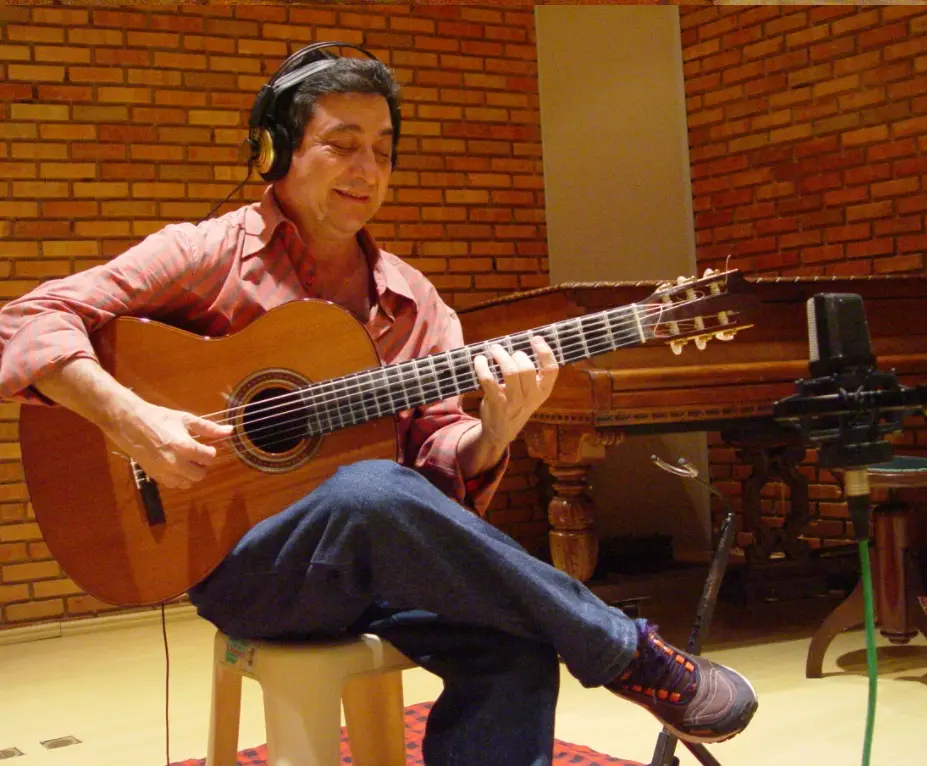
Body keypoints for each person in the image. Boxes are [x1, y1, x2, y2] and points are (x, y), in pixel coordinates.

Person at [0, 44, 757, 764]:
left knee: (514, 643)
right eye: (342, 144)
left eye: (384, 151)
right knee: (369, 490)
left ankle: (610, 653)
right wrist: (134, 420)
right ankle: (630, 654)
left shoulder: (415, 302)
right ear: (275, 151)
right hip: (248, 570)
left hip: (376, 571)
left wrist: (492, 436)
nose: (367, 170)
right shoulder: (208, 255)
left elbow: (436, 458)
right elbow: (27, 320)